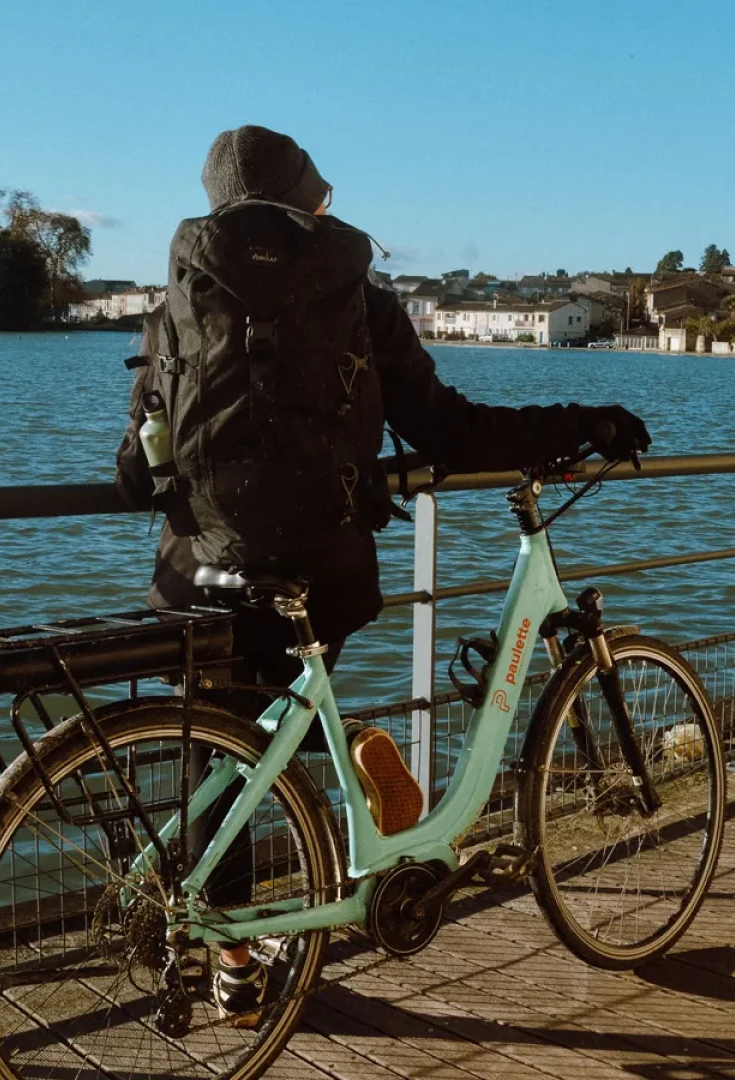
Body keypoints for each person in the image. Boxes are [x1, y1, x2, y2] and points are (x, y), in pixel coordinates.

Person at [113, 124, 650, 1015]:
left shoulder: (178, 301)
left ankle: (232, 955)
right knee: (263, 737)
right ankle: (314, 871)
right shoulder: (354, 291)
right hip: (319, 569)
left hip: (196, 574)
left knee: (225, 751)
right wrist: (575, 420)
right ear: (307, 201)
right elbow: (449, 428)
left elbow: (135, 476)